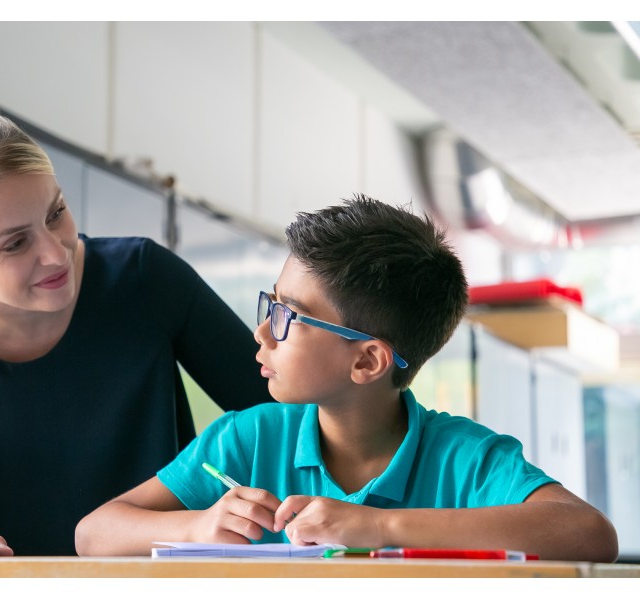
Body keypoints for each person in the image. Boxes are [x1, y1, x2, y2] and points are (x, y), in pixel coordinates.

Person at [74, 194, 619, 562]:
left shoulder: (465, 460)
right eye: (271, 304)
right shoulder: (248, 438)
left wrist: (379, 527)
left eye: (287, 316)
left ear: (367, 362)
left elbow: (591, 535)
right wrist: (193, 527)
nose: (262, 332)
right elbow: (93, 533)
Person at [0, 108, 274, 558]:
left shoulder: (143, 279)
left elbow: (289, 413)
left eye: (55, 213)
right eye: (15, 243)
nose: (55, 252)